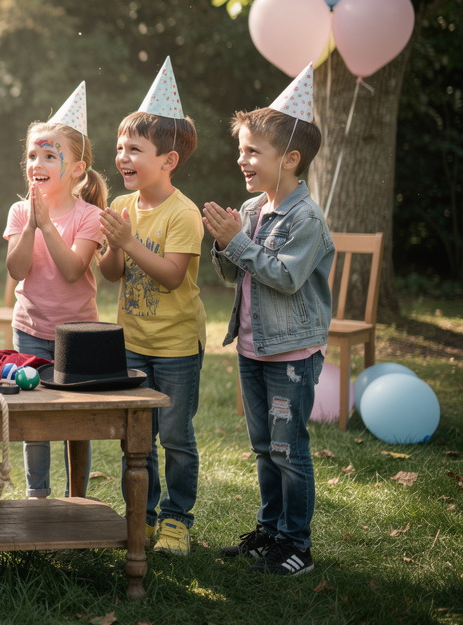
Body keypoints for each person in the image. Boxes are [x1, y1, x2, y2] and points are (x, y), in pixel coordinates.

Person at [205, 65, 333, 576]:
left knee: (287, 447)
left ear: (291, 158)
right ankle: (270, 531)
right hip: (254, 349)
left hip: (292, 355)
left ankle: (296, 543)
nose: (243, 159)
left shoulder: (307, 220)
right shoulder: (253, 209)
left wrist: (237, 240)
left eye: (254, 151)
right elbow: (231, 272)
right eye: (242, 150)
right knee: (264, 447)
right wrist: (223, 241)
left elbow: (283, 277)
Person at [97, 58, 206, 556]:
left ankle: (177, 520)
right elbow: (112, 274)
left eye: (134, 149)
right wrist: (115, 245)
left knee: (175, 436)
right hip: (132, 342)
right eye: (120, 147)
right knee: (136, 437)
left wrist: (130, 241)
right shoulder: (120, 208)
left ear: (168, 161)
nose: (122, 157)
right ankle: (139, 514)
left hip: (178, 346)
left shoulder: (183, 214)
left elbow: (171, 276)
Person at [3, 84, 108, 499]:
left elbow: (73, 269)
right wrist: (31, 223)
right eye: (32, 155)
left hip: (77, 336)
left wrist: (47, 224)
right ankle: (37, 496)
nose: (37, 163)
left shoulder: (90, 216)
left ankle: (76, 497)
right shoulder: (19, 211)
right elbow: (15, 268)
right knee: (34, 418)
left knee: (74, 419)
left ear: (77, 168)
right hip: (30, 329)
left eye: (50, 155)